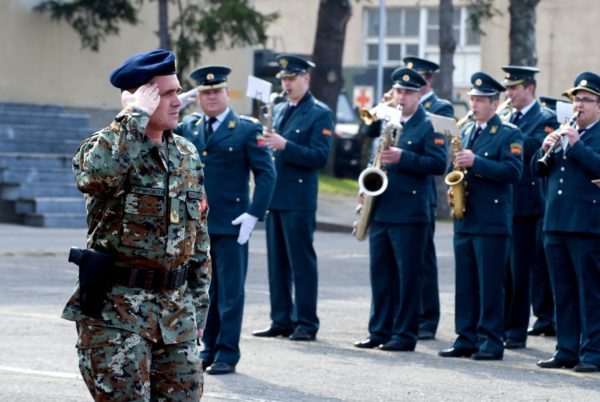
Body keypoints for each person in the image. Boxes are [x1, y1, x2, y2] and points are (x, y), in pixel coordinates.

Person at [61, 50, 211, 400]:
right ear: (143, 97)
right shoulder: (104, 148)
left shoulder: (186, 154)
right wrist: (133, 116)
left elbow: (198, 239)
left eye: (177, 91)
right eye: (167, 93)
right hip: (117, 315)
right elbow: (96, 176)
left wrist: (198, 308)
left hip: (177, 316)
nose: (178, 101)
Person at [175, 66, 276, 374]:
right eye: (205, 93)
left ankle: (227, 353)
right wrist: (179, 100)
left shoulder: (246, 128)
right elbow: (156, 127)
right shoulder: (189, 126)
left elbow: (267, 174)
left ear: (227, 93)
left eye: (216, 91)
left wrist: (254, 213)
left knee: (230, 293)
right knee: (203, 291)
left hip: (232, 225)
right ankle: (208, 348)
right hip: (197, 225)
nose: (211, 98)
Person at [354, 67, 448, 351]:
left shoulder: (431, 123)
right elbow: (375, 153)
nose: (402, 97)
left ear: (420, 94)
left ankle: (405, 334)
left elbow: (438, 164)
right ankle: (379, 330)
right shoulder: (389, 120)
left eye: (408, 92)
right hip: (382, 207)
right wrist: (364, 191)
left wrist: (403, 157)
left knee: (408, 277)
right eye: (399, 92)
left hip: (411, 211)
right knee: (380, 274)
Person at [439, 72, 523, 361]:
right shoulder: (464, 131)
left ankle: (490, 340)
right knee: (465, 283)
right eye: (472, 99)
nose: (473, 105)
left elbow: (513, 172)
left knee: (490, 285)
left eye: (480, 100)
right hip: (466, 217)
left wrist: (477, 161)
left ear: (495, 103)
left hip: (491, 220)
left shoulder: (510, 134)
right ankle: (466, 337)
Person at [252, 54, 333, 341]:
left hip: (299, 198)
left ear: (306, 79)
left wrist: (286, 145)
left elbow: (320, 157)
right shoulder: (279, 107)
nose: (286, 84)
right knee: (277, 265)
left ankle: (306, 323)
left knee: (301, 264)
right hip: (276, 195)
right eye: (283, 79)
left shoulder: (319, 112)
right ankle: (281, 319)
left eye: (291, 78)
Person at [532, 72, 600, 372]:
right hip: (556, 222)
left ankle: (593, 353)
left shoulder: (591, 136)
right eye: (576, 100)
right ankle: (566, 349)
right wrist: (545, 148)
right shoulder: (564, 132)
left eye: (586, 100)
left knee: (590, 293)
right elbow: (537, 170)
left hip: (587, 224)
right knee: (563, 292)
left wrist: (575, 144)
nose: (579, 106)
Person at [498, 66, 560, 349]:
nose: (508, 93)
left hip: (527, 205)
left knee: (521, 271)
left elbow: (537, 150)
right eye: (508, 88)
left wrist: (506, 134)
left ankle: (515, 330)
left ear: (530, 89)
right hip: (502, 202)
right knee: (503, 271)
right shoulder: (507, 117)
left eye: (514, 88)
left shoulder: (545, 118)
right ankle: (498, 325)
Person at [403, 56, 455, 341]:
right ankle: (405, 316)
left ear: (429, 81)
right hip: (397, 196)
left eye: (418, 80)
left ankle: (427, 318)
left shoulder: (440, 107)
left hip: (424, 194)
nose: (410, 87)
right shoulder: (397, 107)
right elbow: (368, 132)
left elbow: (442, 146)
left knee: (423, 259)